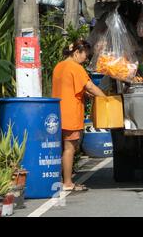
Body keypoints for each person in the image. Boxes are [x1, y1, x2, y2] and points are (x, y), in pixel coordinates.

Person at [52, 40, 106, 192]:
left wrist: (84, 94)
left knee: (63, 147)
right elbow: (90, 85)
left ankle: (64, 179)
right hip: (71, 113)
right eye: (85, 56)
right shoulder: (76, 67)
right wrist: (105, 98)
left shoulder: (59, 66)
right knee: (70, 148)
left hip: (58, 112)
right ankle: (67, 182)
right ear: (77, 53)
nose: (86, 59)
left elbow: (68, 87)